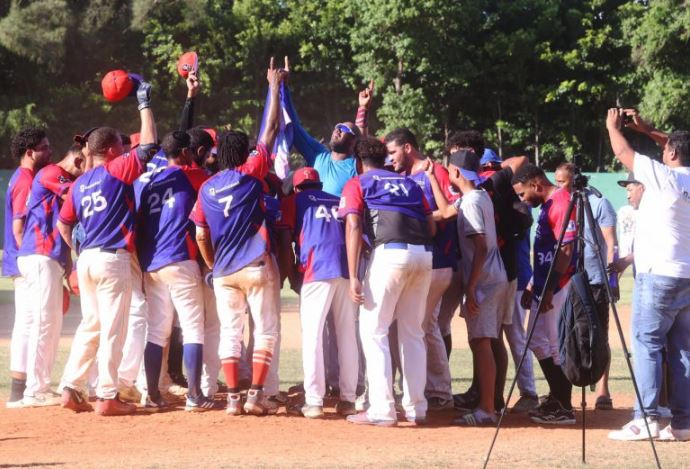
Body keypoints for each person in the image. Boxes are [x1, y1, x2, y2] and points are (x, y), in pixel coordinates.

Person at [56, 76, 158, 416]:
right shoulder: (116, 170)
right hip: (112, 259)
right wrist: (144, 104)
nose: (126, 150)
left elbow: (63, 224)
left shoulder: (79, 183)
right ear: (112, 150)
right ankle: (107, 395)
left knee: (92, 326)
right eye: (121, 146)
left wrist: (77, 251)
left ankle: (71, 387)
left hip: (86, 259)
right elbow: (149, 146)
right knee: (114, 328)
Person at [190, 61, 284, 416]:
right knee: (266, 331)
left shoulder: (207, 188)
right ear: (243, 154)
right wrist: (273, 86)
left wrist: (213, 263)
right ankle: (255, 396)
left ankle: (232, 399)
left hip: (224, 272)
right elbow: (272, 127)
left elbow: (200, 233)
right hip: (256, 265)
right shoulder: (250, 172)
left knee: (230, 332)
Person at [606, 108, 690, 441]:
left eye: (666, 147)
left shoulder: (664, 176)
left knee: (647, 344)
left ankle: (646, 418)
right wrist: (648, 129)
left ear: (670, 152)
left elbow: (622, 152)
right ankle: (684, 423)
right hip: (687, 274)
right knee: (683, 350)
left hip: (659, 275)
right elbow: (678, 147)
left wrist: (613, 126)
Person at [340, 136, 435, 427]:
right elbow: (431, 225)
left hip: (389, 254)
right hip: (424, 256)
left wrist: (354, 275)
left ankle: (382, 409)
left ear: (358, 162)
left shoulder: (359, 182)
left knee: (374, 332)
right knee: (413, 333)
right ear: (384, 159)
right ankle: (417, 408)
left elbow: (353, 224)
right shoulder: (411, 183)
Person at [427, 149, 510, 425]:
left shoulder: (472, 202)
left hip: (485, 280)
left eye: (450, 170)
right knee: (483, 341)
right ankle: (488, 404)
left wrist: (471, 287)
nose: (448, 173)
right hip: (492, 277)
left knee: (481, 343)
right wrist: (431, 183)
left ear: (458, 173)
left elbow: (481, 246)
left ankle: (487, 409)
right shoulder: (476, 196)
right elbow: (446, 212)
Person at [135, 130, 214, 411]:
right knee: (193, 329)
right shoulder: (192, 176)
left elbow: (140, 226)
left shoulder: (149, 183)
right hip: (181, 258)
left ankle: (152, 394)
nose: (194, 156)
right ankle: (194, 395)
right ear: (183, 153)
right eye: (190, 151)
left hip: (152, 264)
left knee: (156, 332)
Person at [384, 128, 456, 411]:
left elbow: (451, 208)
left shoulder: (434, 170)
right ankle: (422, 387)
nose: (390, 159)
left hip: (439, 259)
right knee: (415, 326)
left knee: (423, 327)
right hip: (418, 260)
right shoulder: (402, 178)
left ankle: (438, 390)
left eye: (393, 152)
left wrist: (415, 217)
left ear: (408, 148)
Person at [279, 167, 359, 418]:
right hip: (346, 270)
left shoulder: (295, 200)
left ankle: (314, 401)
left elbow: (283, 236)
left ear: (297, 187)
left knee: (313, 336)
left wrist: (292, 275)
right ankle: (348, 399)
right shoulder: (337, 200)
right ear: (319, 184)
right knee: (347, 335)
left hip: (317, 270)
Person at [14, 145, 83, 407]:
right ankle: (35, 389)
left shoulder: (55, 174)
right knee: (45, 323)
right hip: (41, 255)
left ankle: (38, 386)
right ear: (78, 159)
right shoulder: (54, 172)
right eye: (86, 165)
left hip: (45, 256)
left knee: (48, 323)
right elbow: (76, 195)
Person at [512, 163, 577, 425]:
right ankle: (557, 398)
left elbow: (566, 251)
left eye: (522, 193)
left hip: (559, 287)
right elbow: (544, 253)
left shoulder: (561, 201)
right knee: (537, 342)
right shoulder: (549, 205)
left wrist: (549, 288)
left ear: (536, 185)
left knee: (555, 347)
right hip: (544, 285)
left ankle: (564, 407)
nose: (523, 200)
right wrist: (532, 285)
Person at [554, 162, 618, 410]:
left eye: (562, 181)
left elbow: (610, 243)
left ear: (574, 179)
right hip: (569, 279)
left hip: (595, 280)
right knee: (570, 328)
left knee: (599, 333)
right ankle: (568, 383)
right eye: (557, 181)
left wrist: (611, 279)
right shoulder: (563, 204)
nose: (559, 185)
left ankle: (603, 389)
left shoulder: (599, 203)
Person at [4, 128, 53, 408]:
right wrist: (32, 256)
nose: (50, 151)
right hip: (25, 259)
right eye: (44, 147)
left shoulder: (22, 177)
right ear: (30, 152)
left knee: (25, 323)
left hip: (17, 260)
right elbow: (19, 227)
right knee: (31, 322)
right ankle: (27, 389)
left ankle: (18, 391)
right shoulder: (25, 180)